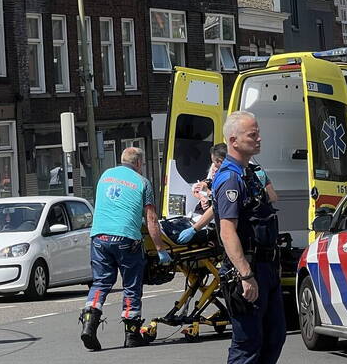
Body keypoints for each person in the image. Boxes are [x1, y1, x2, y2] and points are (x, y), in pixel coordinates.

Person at [213, 111, 284, 364]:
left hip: (267, 270)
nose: (258, 139)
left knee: (274, 338)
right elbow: (227, 230)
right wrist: (245, 274)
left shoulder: (250, 173)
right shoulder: (229, 178)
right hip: (249, 273)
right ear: (233, 140)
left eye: (257, 133)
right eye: (252, 135)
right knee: (247, 344)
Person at [79, 147, 172, 351]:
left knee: (101, 282)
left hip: (99, 236)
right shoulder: (143, 182)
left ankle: (88, 322)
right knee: (131, 285)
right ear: (138, 163)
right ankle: (132, 334)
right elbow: (151, 219)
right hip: (125, 239)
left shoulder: (105, 176)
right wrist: (160, 249)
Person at [178, 158, 276, 243]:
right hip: (263, 228)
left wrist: (194, 229)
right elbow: (273, 197)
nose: (214, 172)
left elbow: (215, 208)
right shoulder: (258, 171)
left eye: (216, 169)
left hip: (241, 231)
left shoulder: (230, 177)